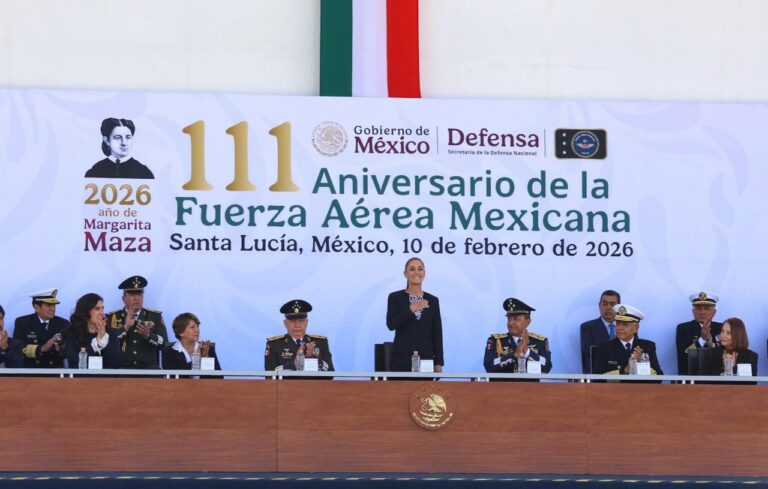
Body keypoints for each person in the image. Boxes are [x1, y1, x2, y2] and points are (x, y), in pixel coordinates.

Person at [386, 257, 444, 372]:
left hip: (426, 359)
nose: (417, 272)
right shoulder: (395, 297)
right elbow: (391, 324)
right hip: (401, 359)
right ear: (405, 274)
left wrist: (439, 362)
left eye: (420, 269)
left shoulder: (432, 300)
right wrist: (410, 310)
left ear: (424, 273)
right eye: (412, 269)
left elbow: (437, 332)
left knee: (425, 390)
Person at [106, 276, 168, 369]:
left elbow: (165, 345)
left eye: (139, 294)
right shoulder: (112, 318)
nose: (136, 298)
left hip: (149, 372)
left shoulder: (154, 316)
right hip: (122, 372)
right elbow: (105, 345)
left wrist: (149, 335)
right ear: (123, 298)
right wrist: (125, 327)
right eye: (132, 294)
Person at [483, 298, 552, 375]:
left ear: (528, 322)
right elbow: (489, 366)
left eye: (516, 319)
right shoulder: (495, 340)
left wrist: (527, 352)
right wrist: (514, 356)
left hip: (530, 387)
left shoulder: (540, 341)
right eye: (509, 319)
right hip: (502, 387)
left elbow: (547, 367)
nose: (511, 323)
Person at [264, 300, 334, 372]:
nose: (297, 326)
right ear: (285, 323)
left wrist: (314, 359)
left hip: (313, 383)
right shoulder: (274, 344)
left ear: (306, 322)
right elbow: (269, 375)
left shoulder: (320, 342)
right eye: (292, 321)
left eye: (301, 321)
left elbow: (330, 374)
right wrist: (293, 364)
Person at [593, 304, 663, 376]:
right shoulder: (604, 348)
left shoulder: (648, 346)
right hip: (615, 387)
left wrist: (641, 363)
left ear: (636, 328)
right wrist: (624, 370)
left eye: (625, 324)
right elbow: (597, 378)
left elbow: (658, 377)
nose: (619, 328)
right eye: (618, 323)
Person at [12, 289, 69, 368]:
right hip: (32, 372)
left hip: (55, 372)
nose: (53, 309)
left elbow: (70, 350)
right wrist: (42, 348)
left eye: (54, 305)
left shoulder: (64, 324)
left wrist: (61, 349)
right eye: (48, 305)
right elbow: (18, 349)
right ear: (36, 307)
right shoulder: (23, 322)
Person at [63, 293, 121, 369]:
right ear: (86, 311)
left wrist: (104, 340)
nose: (102, 313)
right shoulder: (72, 333)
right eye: (97, 309)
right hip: (81, 380)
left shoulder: (111, 333)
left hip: (106, 379)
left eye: (102, 308)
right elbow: (74, 363)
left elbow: (115, 364)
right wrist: (95, 345)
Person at [84, 118, 154, 179]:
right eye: (117, 138)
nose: (124, 143)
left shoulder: (144, 173)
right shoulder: (95, 172)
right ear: (107, 140)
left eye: (128, 137)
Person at [675, 291, 723, 374]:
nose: (702, 312)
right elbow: (684, 354)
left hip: (718, 379)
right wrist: (702, 339)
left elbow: (726, 354)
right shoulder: (683, 328)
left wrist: (711, 344)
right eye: (698, 308)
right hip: (691, 379)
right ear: (693, 311)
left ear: (714, 312)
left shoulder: (722, 328)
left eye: (707, 308)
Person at [579, 289, 621, 373]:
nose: (608, 307)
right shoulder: (588, 327)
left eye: (612, 304)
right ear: (599, 305)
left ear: (619, 307)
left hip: (622, 374)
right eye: (604, 304)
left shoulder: (627, 327)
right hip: (597, 375)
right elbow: (589, 352)